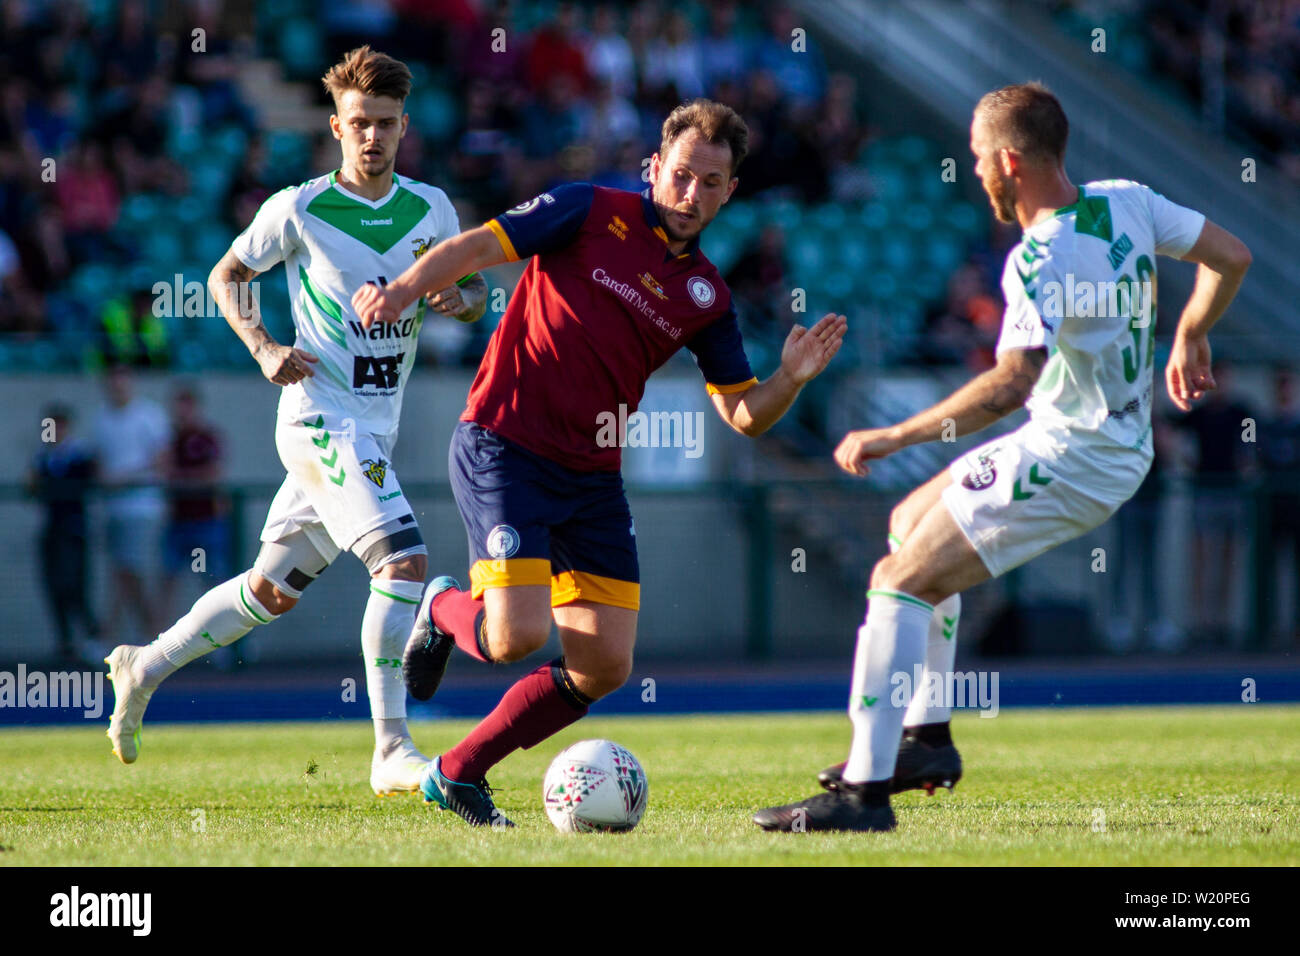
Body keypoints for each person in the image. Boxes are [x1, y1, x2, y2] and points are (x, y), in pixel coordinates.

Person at [753, 82, 1251, 832]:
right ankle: (927, 737)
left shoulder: (1038, 257)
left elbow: (1008, 385)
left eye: (979, 157)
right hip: (1100, 441)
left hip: (1072, 455)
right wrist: (1192, 329)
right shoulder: (1127, 201)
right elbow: (1232, 256)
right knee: (907, 523)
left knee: (897, 580)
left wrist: (895, 436)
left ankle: (862, 792)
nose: (974, 169)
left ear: (1011, 161)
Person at [353, 98, 847, 827]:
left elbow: (742, 413)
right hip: (505, 445)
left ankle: (457, 772)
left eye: (712, 183)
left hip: (591, 477)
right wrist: (402, 290)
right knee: (514, 637)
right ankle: (443, 607)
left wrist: (791, 380)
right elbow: (479, 248)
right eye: (682, 175)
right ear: (655, 168)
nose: (692, 195)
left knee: (604, 667)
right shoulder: (586, 210)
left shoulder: (707, 294)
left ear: (732, 190)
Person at [104, 47, 488, 796]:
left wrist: (458, 300)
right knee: (404, 562)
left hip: (374, 428)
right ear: (336, 129)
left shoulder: (433, 209)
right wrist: (263, 347)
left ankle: (141, 666)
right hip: (318, 417)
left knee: (268, 593)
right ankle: (391, 748)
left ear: (403, 127)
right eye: (357, 124)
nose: (370, 137)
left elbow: (472, 293)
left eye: (383, 124)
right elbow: (225, 276)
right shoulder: (299, 207)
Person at [1175, 360, 1256, 643]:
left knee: (1228, 560)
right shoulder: (1199, 415)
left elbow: (1250, 441)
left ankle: (1223, 622)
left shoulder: (1240, 412)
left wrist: (1247, 462)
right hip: (1205, 493)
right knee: (1201, 559)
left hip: (1231, 493)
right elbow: (1176, 434)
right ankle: (1200, 623)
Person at [92, 364, 169, 644]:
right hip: (113, 508)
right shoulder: (101, 417)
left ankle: (109, 634)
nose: (117, 387)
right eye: (113, 382)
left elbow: (162, 459)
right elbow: (100, 460)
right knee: (123, 572)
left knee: (126, 571)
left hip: (142, 508)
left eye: (122, 382)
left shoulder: (149, 415)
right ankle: (151, 634)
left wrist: (124, 478)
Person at [158, 384, 233, 654]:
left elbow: (213, 474)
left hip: (206, 522)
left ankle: (224, 646)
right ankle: (161, 646)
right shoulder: (169, 439)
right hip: (178, 522)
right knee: (167, 582)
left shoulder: (207, 438)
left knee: (213, 582)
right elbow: (163, 472)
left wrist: (183, 478)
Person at [27, 404, 101, 664]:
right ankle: (65, 641)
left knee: (73, 584)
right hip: (51, 530)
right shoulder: (43, 457)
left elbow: (92, 479)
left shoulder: (79, 455)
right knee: (54, 585)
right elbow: (32, 485)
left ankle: (92, 636)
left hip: (74, 530)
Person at [1258, 367, 1300, 644]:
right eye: (1280, 385)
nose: (1284, 390)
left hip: (1297, 510)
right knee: (1267, 570)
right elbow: (1251, 458)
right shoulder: (1263, 424)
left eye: (1288, 385)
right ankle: (1268, 629)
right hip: (1270, 510)